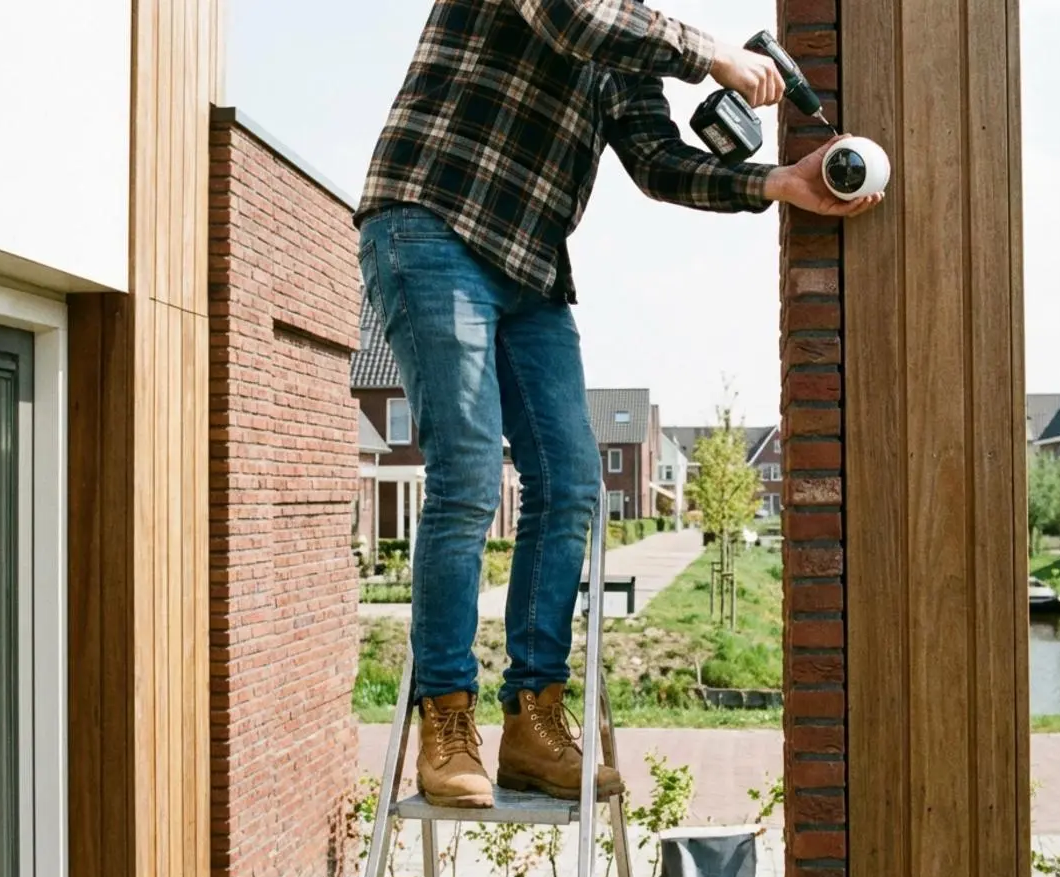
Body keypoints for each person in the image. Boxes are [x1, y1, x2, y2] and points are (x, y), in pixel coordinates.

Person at [353, 0, 884, 810]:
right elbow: (575, 21)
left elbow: (655, 159)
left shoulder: (637, 33)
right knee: (465, 474)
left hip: (529, 268)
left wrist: (777, 184)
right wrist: (713, 57)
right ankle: (447, 721)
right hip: (432, 222)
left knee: (572, 487)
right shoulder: (603, 20)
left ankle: (533, 719)